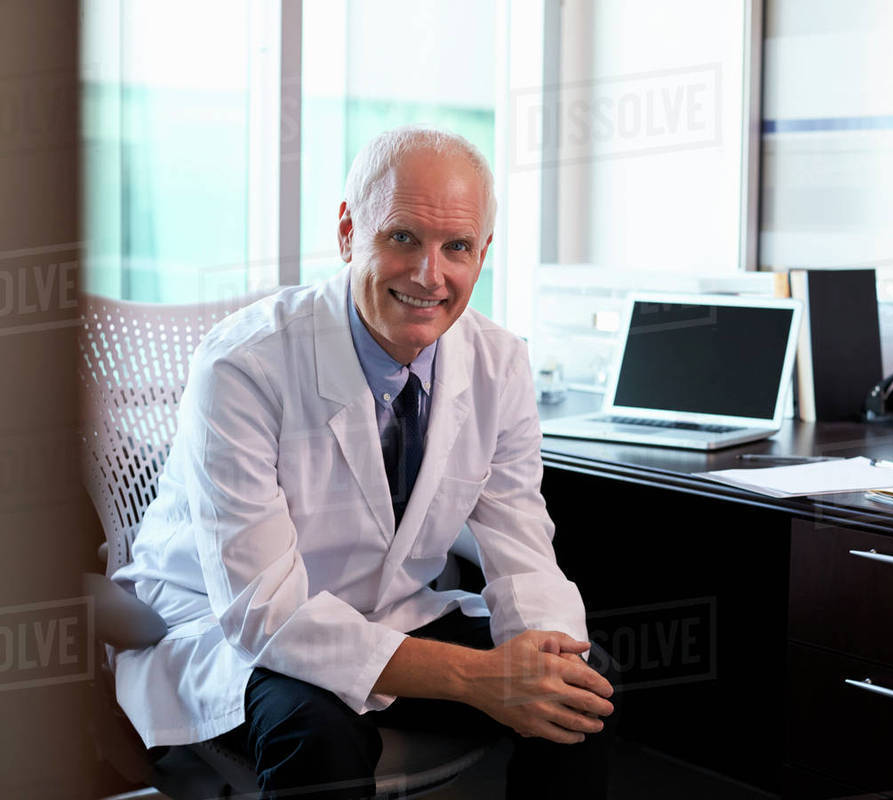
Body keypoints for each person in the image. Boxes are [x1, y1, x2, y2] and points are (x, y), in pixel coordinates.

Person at [112, 126, 616, 799]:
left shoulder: (499, 362)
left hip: (388, 609)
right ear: (349, 232)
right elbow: (266, 615)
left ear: (483, 253)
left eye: (456, 247)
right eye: (402, 237)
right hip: (231, 627)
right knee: (315, 728)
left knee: (579, 689)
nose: (428, 275)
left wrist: (541, 661)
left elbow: (524, 551)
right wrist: (480, 680)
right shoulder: (243, 364)